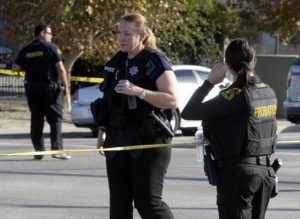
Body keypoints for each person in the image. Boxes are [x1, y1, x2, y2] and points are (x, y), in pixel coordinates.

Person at [181, 38, 278, 219]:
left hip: (238, 176)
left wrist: (209, 82)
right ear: (254, 61)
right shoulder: (268, 91)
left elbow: (188, 112)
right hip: (265, 173)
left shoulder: (233, 96)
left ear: (227, 65)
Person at [96, 13, 178, 219]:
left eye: (127, 33)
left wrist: (139, 91)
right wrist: (102, 130)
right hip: (118, 139)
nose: (121, 38)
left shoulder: (154, 60)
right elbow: (109, 102)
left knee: (148, 203)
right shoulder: (115, 63)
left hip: (149, 140)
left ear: (141, 36)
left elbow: (172, 100)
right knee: (118, 205)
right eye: (119, 33)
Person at [12, 24, 71, 160]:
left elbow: (15, 68)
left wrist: (30, 67)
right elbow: (61, 69)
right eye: (50, 33)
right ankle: (56, 150)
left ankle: (39, 151)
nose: (51, 36)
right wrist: (66, 86)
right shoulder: (51, 48)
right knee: (55, 119)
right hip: (49, 90)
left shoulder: (26, 50)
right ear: (43, 33)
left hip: (32, 90)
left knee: (36, 120)